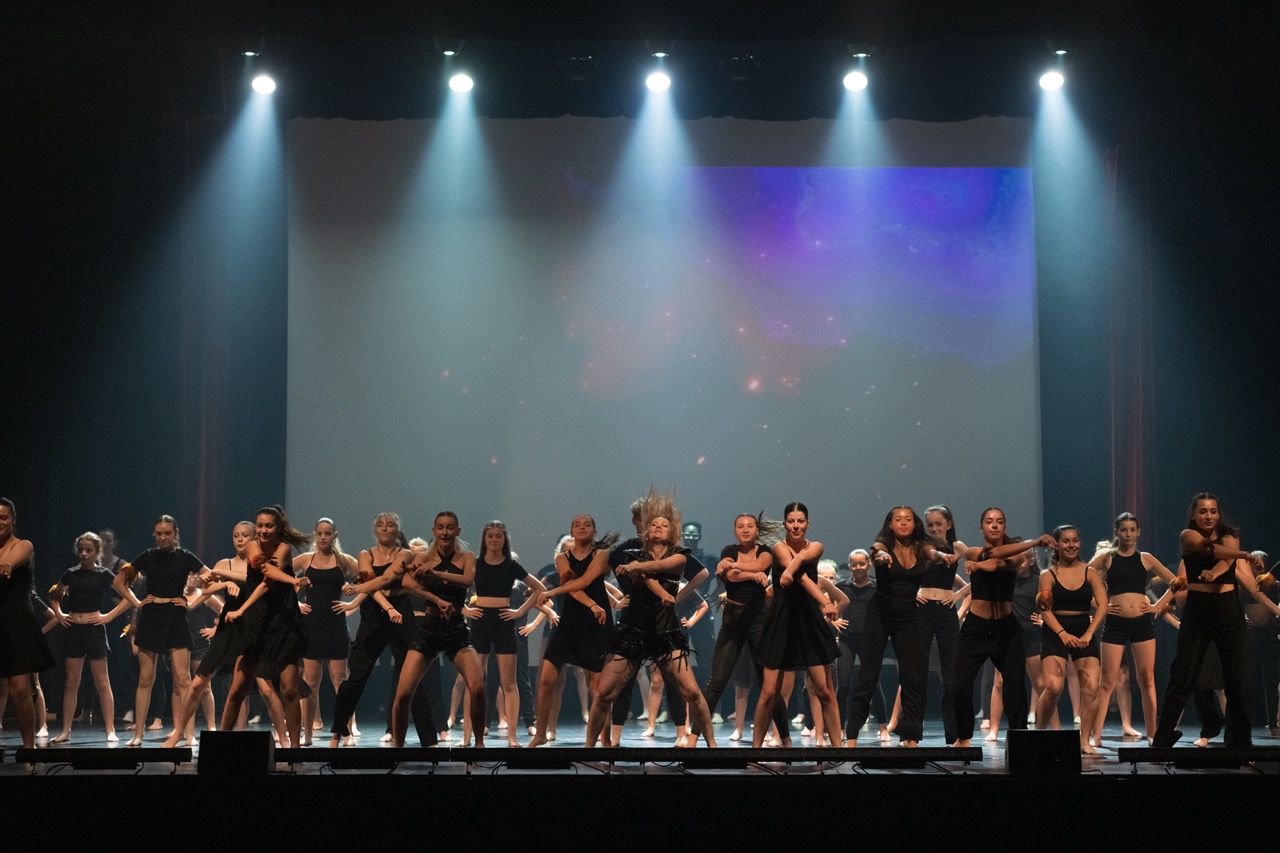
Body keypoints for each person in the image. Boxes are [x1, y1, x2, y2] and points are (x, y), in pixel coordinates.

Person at [554, 492, 718, 748]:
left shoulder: (679, 554)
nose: (658, 527)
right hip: (632, 630)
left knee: (693, 693)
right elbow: (631, 575)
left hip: (665, 631)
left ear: (672, 531)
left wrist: (676, 596)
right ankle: (589, 749)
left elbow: (666, 569)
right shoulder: (632, 553)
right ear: (647, 530)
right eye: (654, 524)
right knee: (604, 694)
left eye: (664, 525)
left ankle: (712, 746)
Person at [1152, 493, 1267, 747]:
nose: (1208, 516)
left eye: (1213, 511)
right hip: (1198, 610)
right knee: (1183, 676)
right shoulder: (1188, 535)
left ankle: (1240, 742)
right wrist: (1245, 555)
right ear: (1194, 514)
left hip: (1227, 609)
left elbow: (1226, 561)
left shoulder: (1229, 535)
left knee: (1237, 680)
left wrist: (1215, 571)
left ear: (1219, 513)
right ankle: (1162, 739)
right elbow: (1209, 549)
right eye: (1203, 511)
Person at [846, 507, 954, 747]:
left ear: (914, 524)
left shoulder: (921, 546)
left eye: (908, 519)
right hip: (880, 615)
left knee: (912, 678)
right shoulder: (882, 544)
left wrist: (941, 555)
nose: (903, 523)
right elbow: (878, 550)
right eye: (898, 519)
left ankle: (911, 736)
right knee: (868, 675)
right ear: (891, 524)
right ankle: (852, 735)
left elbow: (932, 552)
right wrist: (882, 557)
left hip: (908, 617)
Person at [684, 512, 790, 747]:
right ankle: (693, 738)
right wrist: (749, 573)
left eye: (750, 526)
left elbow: (761, 565)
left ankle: (786, 739)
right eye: (740, 526)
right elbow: (731, 577)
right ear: (734, 531)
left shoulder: (765, 551)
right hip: (733, 621)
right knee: (717, 681)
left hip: (758, 620)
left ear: (757, 530)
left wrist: (737, 567)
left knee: (769, 686)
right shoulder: (728, 551)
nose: (745, 529)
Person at [330, 513, 437, 747]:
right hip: (375, 614)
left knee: (412, 677)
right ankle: (337, 733)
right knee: (356, 676)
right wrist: (386, 606)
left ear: (397, 531)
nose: (385, 528)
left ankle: (429, 741)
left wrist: (358, 587)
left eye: (390, 525)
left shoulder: (405, 554)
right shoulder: (365, 555)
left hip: (401, 612)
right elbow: (374, 588)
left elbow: (387, 579)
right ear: (375, 530)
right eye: (380, 525)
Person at [951, 508, 1055, 747]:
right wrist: (1035, 541)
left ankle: (1019, 740)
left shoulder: (1017, 556)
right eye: (989, 522)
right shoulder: (972, 552)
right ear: (981, 528)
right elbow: (989, 555)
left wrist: (982, 566)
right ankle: (963, 738)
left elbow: (998, 561)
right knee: (959, 686)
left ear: (1005, 527)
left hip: (1006, 629)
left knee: (1015, 688)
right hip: (976, 629)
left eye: (999, 522)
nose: (995, 525)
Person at [388, 512, 487, 747]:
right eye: (440, 528)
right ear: (434, 531)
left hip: (456, 630)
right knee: (403, 694)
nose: (445, 532)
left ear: (457, 531)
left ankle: (479, 744)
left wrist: (434, 573)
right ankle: (398, 748)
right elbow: (407, 583)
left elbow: (467, 580)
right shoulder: (422, 557)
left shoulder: (466, 557)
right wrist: (435, 597)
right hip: (429, 628)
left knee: (477, 687)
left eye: (450, 528)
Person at [111, 514, 208, 745]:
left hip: (176, 616)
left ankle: (189, 734)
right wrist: (136, 602)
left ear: (176, 533)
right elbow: (118, 581)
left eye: (167, 533)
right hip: (152, 617)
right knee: (146, 678)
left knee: (183, 679)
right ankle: (138, 734)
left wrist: (192, 602)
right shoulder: (148, 556)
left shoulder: (185, 556)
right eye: (159, 533)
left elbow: (210, 577)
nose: (163, 537)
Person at [753, 502, 842, 748]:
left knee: (824, 690)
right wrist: (825, 601)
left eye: (800, 521)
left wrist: (792, 569)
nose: (796, 526)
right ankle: (754, 751)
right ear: (785, 524)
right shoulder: (778, 547)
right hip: (782, 620)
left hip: (809, 621)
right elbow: (801, 577)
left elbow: (801, 566)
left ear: (808, 523)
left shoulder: (816, 546)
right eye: (791, 521)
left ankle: (838, 750)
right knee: (769, 692)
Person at [1087, 512, 1178, 743]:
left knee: (1146, 679)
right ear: (1116, 532)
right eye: (1123, 530)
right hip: (1115, 624)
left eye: (1132, 530)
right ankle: (1096, 735)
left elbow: (1176, 582)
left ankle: (1152, 734)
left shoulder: (1145, 558)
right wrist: (1100, 606)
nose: (1128, 534)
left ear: (1138, 532)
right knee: (1107, 681)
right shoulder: (1106, 557)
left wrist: (1158, 606)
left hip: (1141, 623)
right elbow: (1082, 579)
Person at [528, 516, 615, 747]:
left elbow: (584, 581)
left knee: (598, 688)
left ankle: (605, 741)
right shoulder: (562, 558)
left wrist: (552, 592)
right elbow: (571, 588)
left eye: (587, 524)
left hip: (597, 622)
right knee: (546, 679)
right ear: (571, 531)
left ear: (594, 531)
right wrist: (591, 604)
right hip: (571, 621)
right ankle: (540, 734)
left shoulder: (601, 555)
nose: (582, 527)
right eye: (577, 525)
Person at [467, 521, 547, 747]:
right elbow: (456, 587)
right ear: (484, 539)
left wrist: (520, 611)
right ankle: (469, 737)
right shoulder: (475, 564)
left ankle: (512, 737)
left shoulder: (511, 565)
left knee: (509, 683)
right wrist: (463, 609)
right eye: (490, 536)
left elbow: (539, 589)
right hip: (480, 623)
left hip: (503, 623)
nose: (494, 540)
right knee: (475, 682)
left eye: (498, 536)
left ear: (504, 539)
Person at [1034, 525, 1109, 756]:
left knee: (1091, 688)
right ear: (1057, 545)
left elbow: (1103, 605)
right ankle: (1038, 735)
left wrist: (1089, 633)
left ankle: (1084, 741)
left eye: (1075, 540)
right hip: (1056, 630)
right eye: (1066, 541)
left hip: (1083, 629)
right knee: (1053, 687)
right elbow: (1045, 610)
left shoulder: (1090, 572)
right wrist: (1062, 634)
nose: (1071, 545)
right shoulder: (1048, 575)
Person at [49, 532, 130, 743]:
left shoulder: (103, 574)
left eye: (89, 550)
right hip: (74, 630)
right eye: (81, 550)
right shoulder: (71, 573)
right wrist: (59, 614)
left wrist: (109, 616)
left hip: (94, 630)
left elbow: (128, 597)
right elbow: (54, 597)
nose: (84, 554)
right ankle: (66, 730)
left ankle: (110, 729)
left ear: (97, 552)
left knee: (102, 681)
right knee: (71, 682)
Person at [294, 517, 359, 744]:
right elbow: (278, 578)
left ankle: (345, 731)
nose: (323, 537)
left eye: (328, 533)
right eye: (320, 533)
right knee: (310, 681)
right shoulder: (305, 560)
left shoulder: (344, 561)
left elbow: (371, 582)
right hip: (311, 626)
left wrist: (353, 603)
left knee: (340, 679)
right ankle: (308, 733)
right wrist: (296, 603)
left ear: (335, 536)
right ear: (315, 534)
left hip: (335, 626)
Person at [0, 497, 56, 749]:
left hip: (16, 622)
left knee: (21, 688)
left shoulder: (23, 545)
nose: (0, 522)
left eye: (3, 517)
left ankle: (29, 748)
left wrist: (7, 564)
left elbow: (11, 563)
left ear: (13, 520)